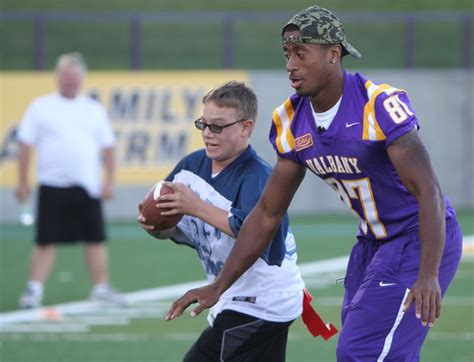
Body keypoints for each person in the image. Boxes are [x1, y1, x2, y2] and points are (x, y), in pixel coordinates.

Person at [164, 6, 463, 361]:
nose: (291, 64)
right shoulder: (292, 120)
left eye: (301, 53)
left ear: (333, 54)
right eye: (287, 54)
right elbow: (267, 213)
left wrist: (428, 271)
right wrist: (219, 285)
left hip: (417, 236)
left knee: (361, 353)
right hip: (372, 244)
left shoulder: (377, 105)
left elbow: (427, 189)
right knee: (379, 351)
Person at [138, 81, 305, 361]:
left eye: (217, 126)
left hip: (261, 300)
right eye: (203, 125)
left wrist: (197, 206)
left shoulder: (258, 177)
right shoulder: (191, 167)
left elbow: (257, 235)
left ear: (246, 127)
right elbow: (181, 231)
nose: (207, 134)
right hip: (237, 298)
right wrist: (157, 226)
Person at [16, 52, 124, 308]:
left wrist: (109, 180)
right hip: (52, 184)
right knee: (45, 240)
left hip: (87, 185)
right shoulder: (41, 107)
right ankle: (34, 289)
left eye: (74, 77)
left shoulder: (93, 109)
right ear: (58, 77)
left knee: (95, 238)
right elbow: (24, 145)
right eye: (65, 77)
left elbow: (108, 148)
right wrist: (22, 182)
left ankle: (100, 287)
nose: (70, 82)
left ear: (82, 79)